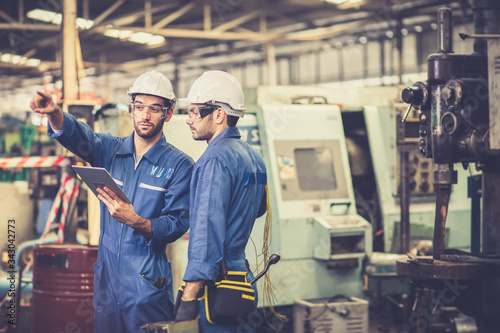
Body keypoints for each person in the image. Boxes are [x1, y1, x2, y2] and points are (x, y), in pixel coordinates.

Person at [29, 70, 194, 333]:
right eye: (139, 107)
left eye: (154, 108)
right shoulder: (110, 150)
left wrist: (137, 221)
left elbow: (177, 223)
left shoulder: (180, 166)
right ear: (131, 109)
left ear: (168, 113)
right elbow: (81, 137)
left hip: (146, 282)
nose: (145, 115)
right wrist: (55, 113)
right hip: (107, 281)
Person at [174, 70, 267, 332]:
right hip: (241, 279)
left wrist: (189, 295)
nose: (188, 120)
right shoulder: (252, 155)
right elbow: (257, 209)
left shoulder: (214, 160)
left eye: (195, 112)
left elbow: (206, 228)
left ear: (218, 114)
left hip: (215, 284)